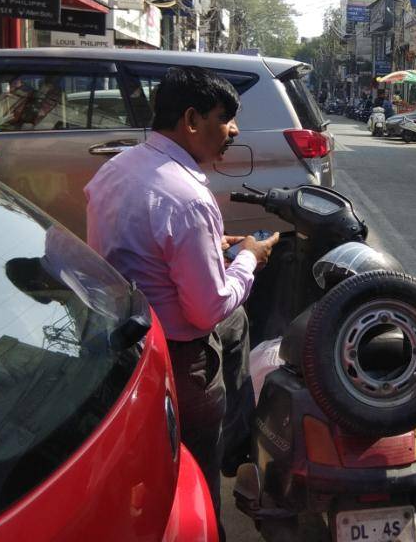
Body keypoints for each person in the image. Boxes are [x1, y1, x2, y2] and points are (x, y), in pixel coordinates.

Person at [84, 66, 279, 520]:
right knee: (196, 474)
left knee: (237, 324)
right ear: (192, 120)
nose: (233, 131)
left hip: (123, 333)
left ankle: (235, 437)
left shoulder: (119, 167)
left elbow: (147, 245)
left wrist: (215, 244)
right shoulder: (186, 196)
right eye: (225, 118)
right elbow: (207, 308)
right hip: (177, 352)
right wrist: (250, 257)